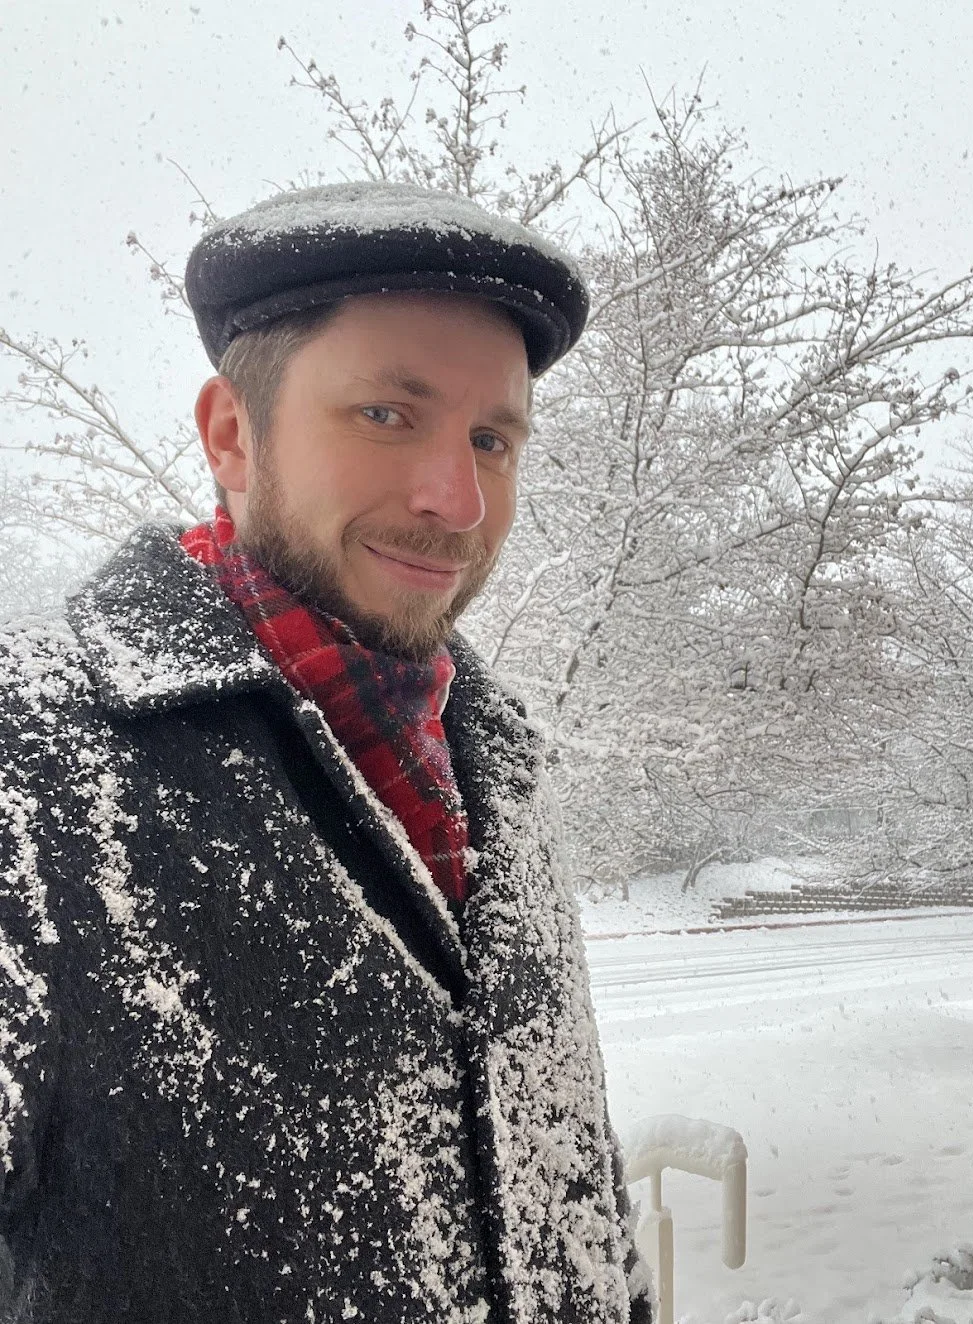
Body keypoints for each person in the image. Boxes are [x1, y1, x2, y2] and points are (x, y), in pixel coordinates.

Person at [0, 183, 653, 1323]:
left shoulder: (499, 762)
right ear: (231, 434)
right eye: (386, 415)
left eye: (491, 440)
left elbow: (579, 1194)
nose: (458, 501)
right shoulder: (32, 754)